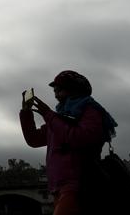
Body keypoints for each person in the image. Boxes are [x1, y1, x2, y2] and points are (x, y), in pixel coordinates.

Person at [20, 70, 117, 215]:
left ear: (74, 90)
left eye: (60, 90)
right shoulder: (61, 116)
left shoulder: (90, 111)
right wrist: (26, 112)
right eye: (55, 90)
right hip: (59, 186)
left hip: (78, 184)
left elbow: (81, 138)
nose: (56, 94)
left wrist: (49, 115)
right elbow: (34, 139)